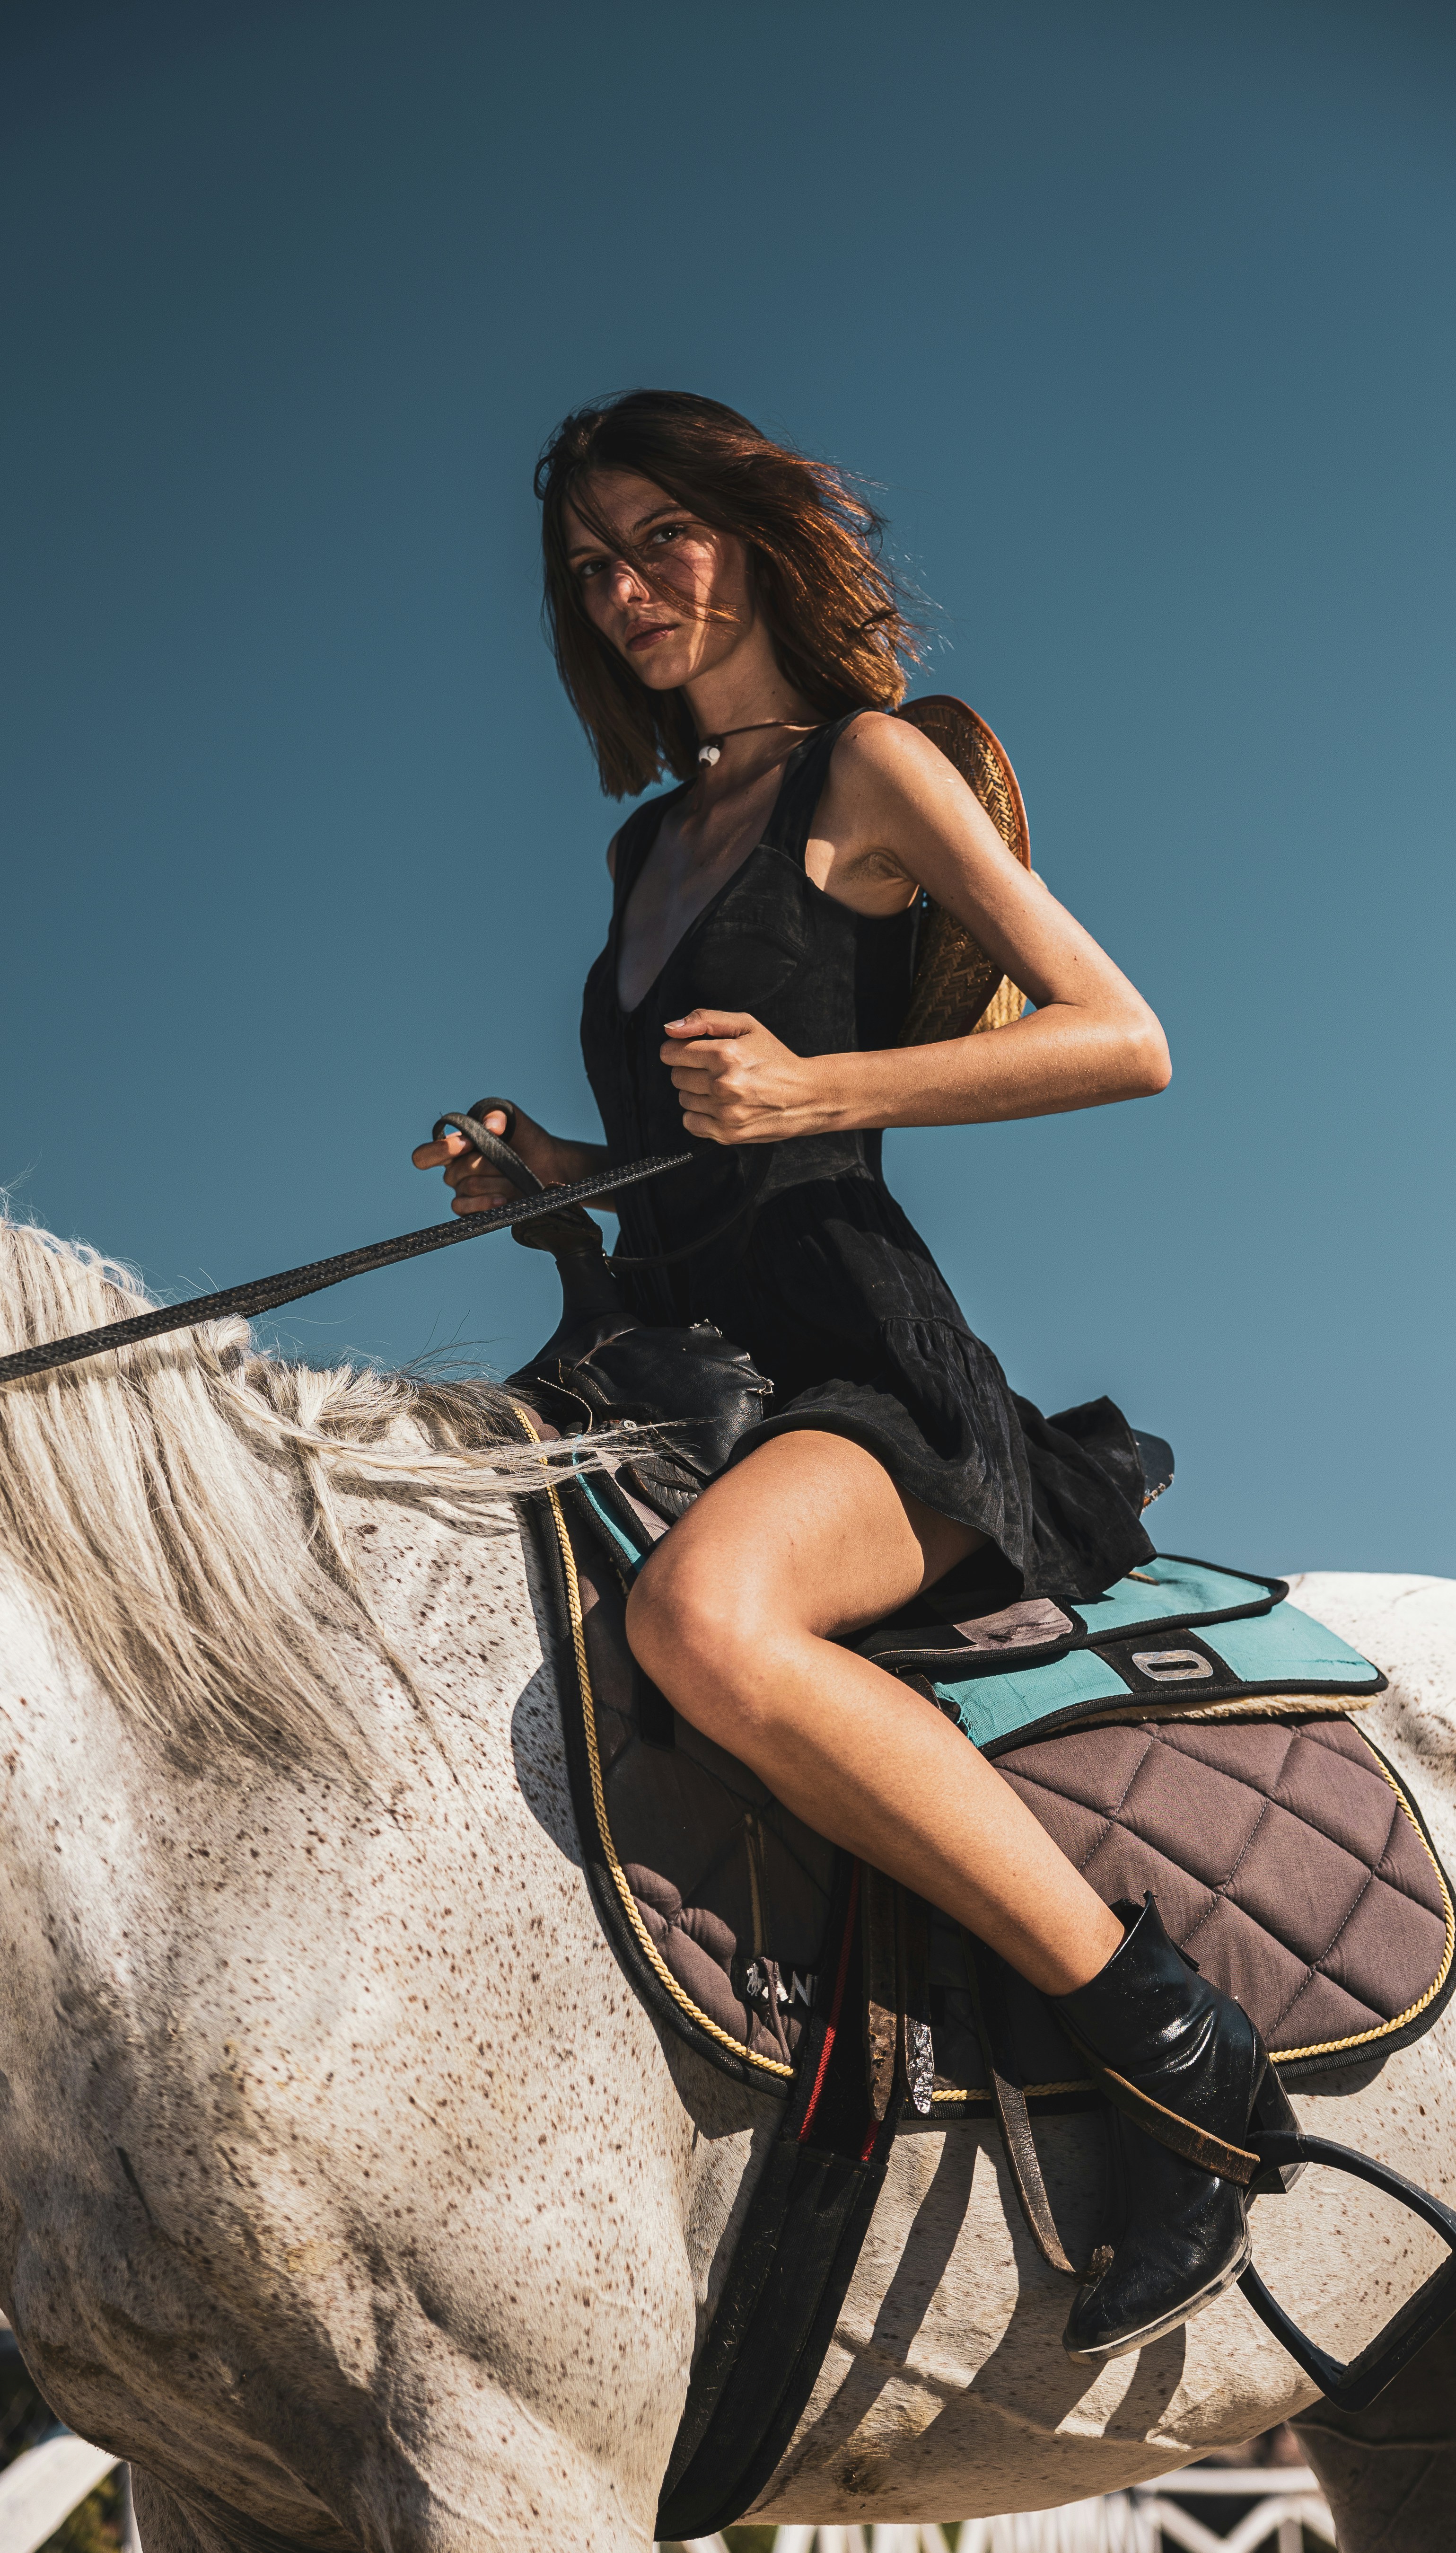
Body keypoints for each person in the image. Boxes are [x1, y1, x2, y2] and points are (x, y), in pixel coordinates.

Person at [413, 389, 1264, 2364]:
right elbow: (688, 1149)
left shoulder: (867, 769)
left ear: (747, 533)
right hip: (669, 1355)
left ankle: (1171, 2042)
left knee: (709, 1622)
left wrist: (822, 1086)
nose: (624, 589)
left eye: (655, 539)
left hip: (860, 1375)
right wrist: (550, 1174)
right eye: (587, 569)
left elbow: (1117, 1034)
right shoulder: (644, 843)